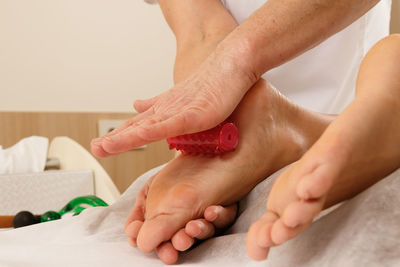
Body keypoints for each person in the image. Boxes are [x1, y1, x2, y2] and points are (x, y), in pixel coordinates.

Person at [90, 0, 397, 264]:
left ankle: (304, 131)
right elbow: (203, 31)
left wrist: (232, 61)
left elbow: (201, 32)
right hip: (235, 105)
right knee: (387, 64)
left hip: (320, 92)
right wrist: (212, 135)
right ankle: (304, 129)